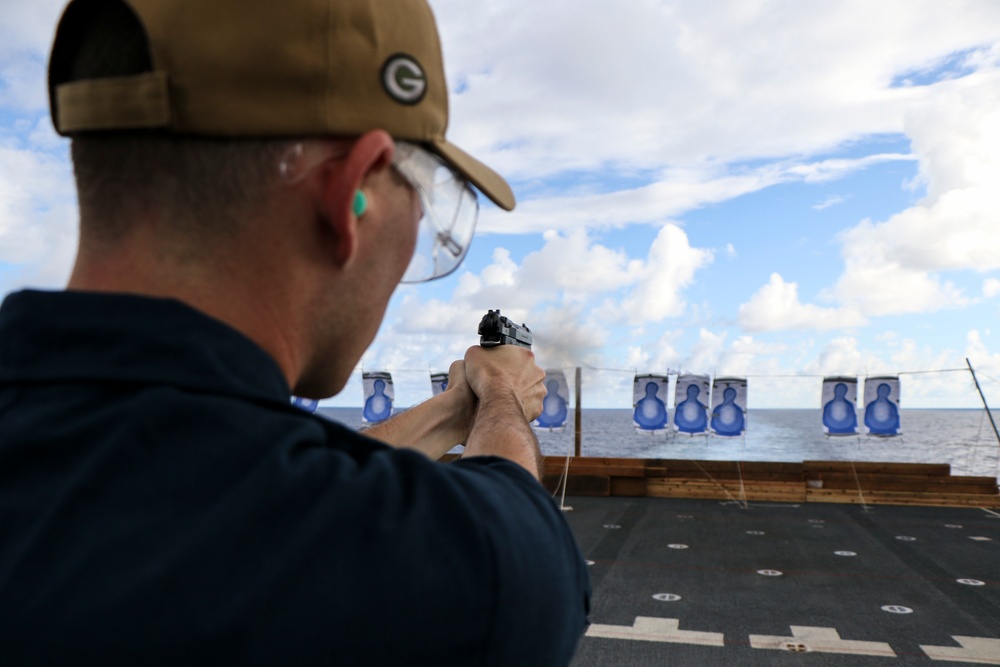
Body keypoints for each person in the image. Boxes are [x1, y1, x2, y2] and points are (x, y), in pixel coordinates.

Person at [0, 0, 590, 664]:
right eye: (422, 200)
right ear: (349, 197)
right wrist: (503, 396)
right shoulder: (348, 549)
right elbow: (522, 556)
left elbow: (264, 464)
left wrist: (458, 408)